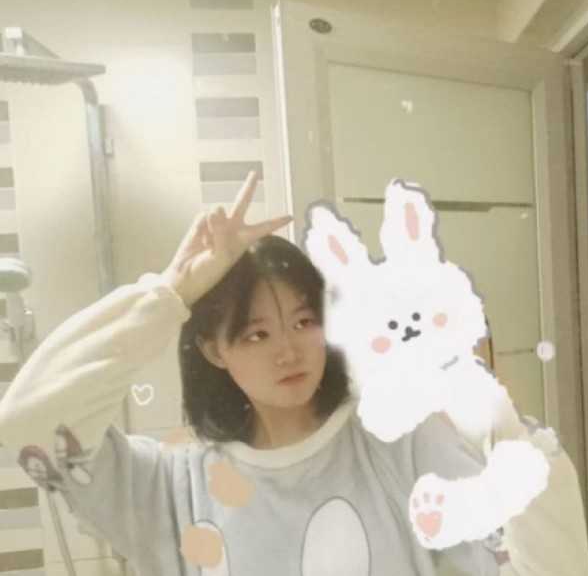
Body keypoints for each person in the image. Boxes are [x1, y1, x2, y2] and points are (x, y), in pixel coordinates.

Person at [0, 172, 501, 575]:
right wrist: (171, 294)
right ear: (214, 350)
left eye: (303, 322)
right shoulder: (169, 486)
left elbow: (496, 555)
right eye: (257, 334)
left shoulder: (397, 441)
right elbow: (27, 422)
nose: (288, 351)